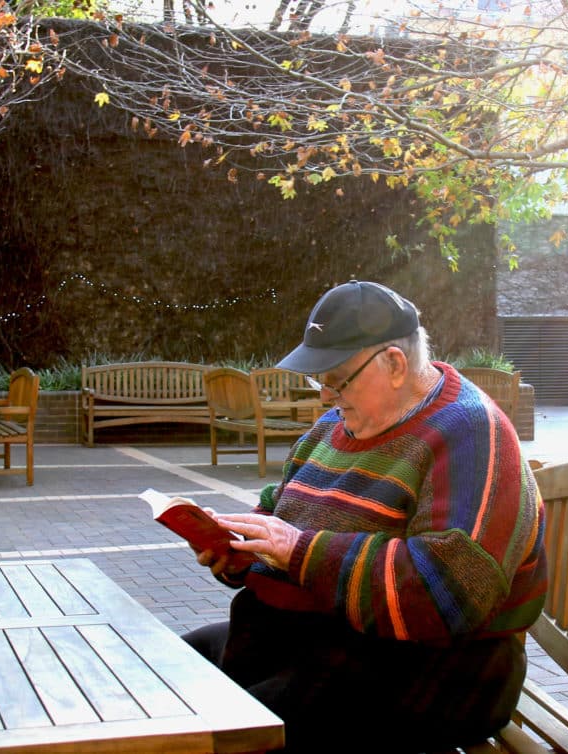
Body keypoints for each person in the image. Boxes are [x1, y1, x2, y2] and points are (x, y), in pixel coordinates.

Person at [184, 280, 547, 753]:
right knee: (171, 669)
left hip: (436, 667)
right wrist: (238, 548)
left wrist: (298, 552)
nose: (326, 396)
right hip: (314, 638)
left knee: (227, 735)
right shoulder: (334, 425)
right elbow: (280, 509)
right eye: (321, 382)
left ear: (395, 364)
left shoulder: (471, 431)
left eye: (337, 379)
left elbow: (450, 590)